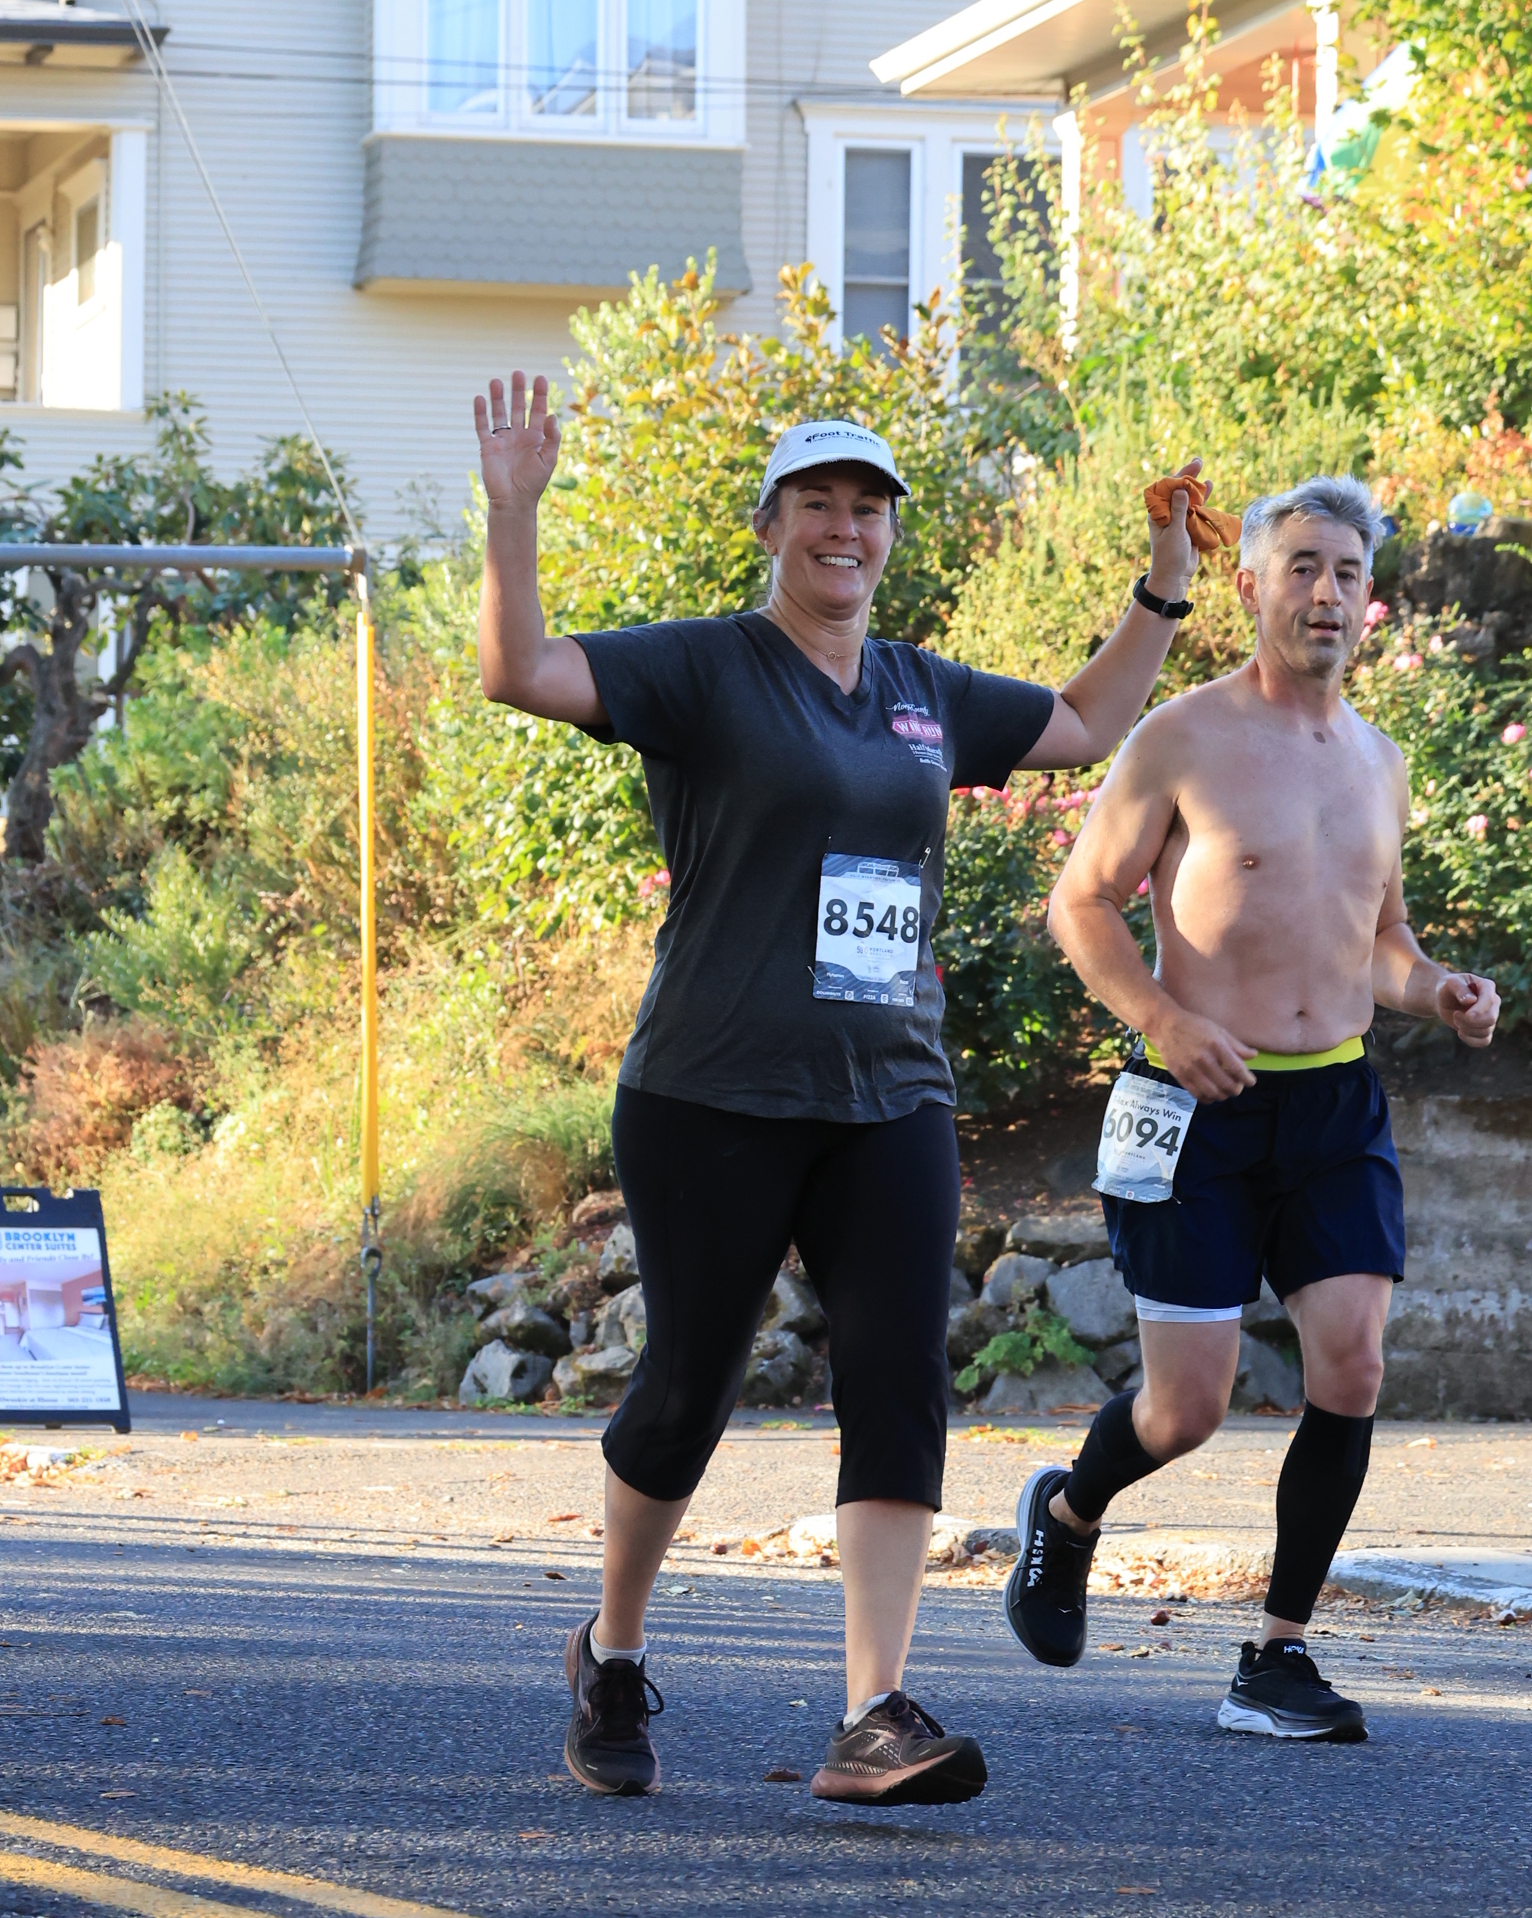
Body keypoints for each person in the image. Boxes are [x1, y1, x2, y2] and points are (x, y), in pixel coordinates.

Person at [473, 373, 1202, 1803]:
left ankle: (874, 1711)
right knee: (687, 1388)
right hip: (713, 1091)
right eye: (817, 502)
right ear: (771, 525)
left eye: (868, 507)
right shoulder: (707, 668)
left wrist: (1163, 586)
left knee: (898, 1378)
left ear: (888, 534)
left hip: (890, 1092)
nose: (845, 527)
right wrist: (513, 510)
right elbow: (521, 671)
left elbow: (1080, 719)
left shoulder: (924, 693)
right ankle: (612, 1652)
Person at [1007, 475, 1500, 1739]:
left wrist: (1436, 988)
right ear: (1248, 588)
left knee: (1353, 1363)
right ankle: (1066, 1513)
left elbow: (1378, 942)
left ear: (1369, 601)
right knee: (1187, 1410)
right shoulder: (1180, 739)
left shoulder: (1380, 764)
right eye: (1301, 568)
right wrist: (1165, 1021)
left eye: (1346, 573)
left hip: (1333, 1105)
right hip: (1192, 1105)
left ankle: (1276, 1655)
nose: (1325, 593)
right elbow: (1079, 902)